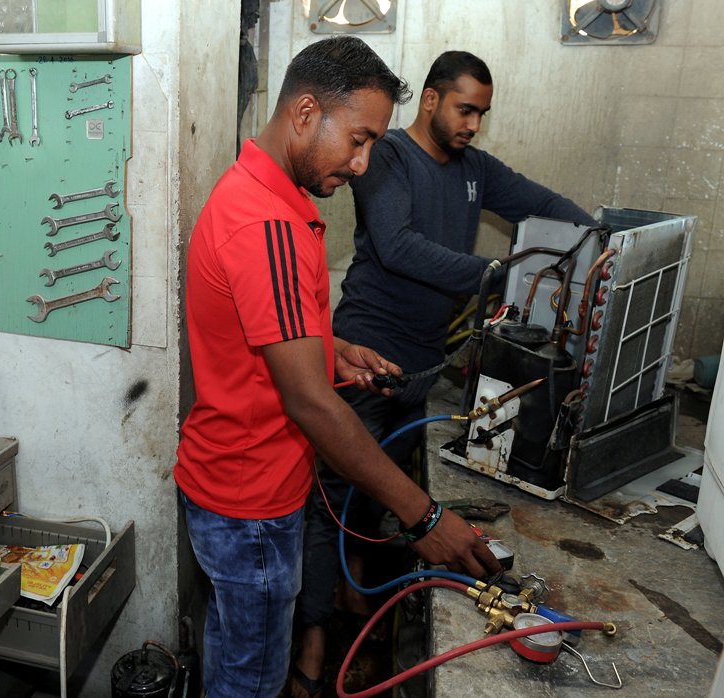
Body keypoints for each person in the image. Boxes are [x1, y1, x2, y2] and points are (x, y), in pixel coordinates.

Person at [174, 38, 501, 698]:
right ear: (303, 113)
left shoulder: (259, 198)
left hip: (239, 489)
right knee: (249, 681)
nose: (362, 163)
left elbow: (266, 342)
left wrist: (334, 352)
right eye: (357, 139)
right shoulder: (267, 225)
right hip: (251, 507)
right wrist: (424, 517)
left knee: (236, 653)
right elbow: (312, 406)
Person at [291, 50, 599, 696]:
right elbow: (399, 246)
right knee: (328, 505)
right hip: (364, 363)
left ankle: (358, 601)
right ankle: (311, 653)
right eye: (465, 109)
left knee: (376, 495)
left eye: (482, 114)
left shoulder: (475, 170)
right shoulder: (387, 158)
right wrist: (499, 276)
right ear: (430, 101)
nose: (473, 125)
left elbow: (550, 211)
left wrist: (600, 242)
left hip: (422, 371)